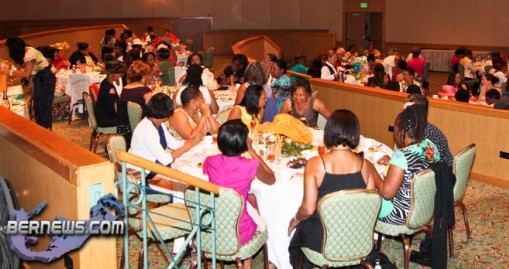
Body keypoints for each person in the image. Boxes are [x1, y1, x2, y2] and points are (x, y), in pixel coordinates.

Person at [288, 110, 377, 269]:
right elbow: (369, 208)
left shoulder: (316, 164)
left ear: (328, 132)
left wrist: (295, 219)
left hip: (322, 241)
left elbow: (308, 209)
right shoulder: (366, 166)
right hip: (357, 240)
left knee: (300, 232)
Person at [203, 119, 275, 267]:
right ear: (243, 142)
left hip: (211, 227)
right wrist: (251, 150)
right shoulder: (249, 165)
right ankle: (246, 264)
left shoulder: (209, 161)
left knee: (250, 198)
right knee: (255, 202)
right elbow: (271, 179)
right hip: (240, 231)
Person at [371, 104, 440, 225]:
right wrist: (392, 163)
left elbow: (387, 193)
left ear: (402, 131)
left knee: (365, 195)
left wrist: (370, 169)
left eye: (394, 129)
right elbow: (415, 168)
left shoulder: (401, 155)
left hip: (400, 215)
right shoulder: (430, 146)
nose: (393, 133)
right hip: (424, 208)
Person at [129, 93, 202, 172]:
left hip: (153, 165)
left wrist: (193, 141)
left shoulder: (158, 123)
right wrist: (190, 144)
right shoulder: (146, 129)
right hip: (143, 171)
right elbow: (165, 160)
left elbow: (174, 145)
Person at [5, 37, 56, 129]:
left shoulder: (29, 53)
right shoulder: (27, 52)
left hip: (45, 77)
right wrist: (14, 80)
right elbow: (28, 72)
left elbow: (27, 73)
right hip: (41, 77)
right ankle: (43, 129)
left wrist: (10, 72)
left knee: (43, 106)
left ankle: (45, 130)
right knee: (38, 106)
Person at [94, 61, 127, 128]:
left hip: (101, 116)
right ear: (112, 74)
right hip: (106, 120)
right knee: (128, 118)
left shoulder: (105, 82)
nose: (120, 75)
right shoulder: (110, 89)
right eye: (118, 72)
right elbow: (113, 110)